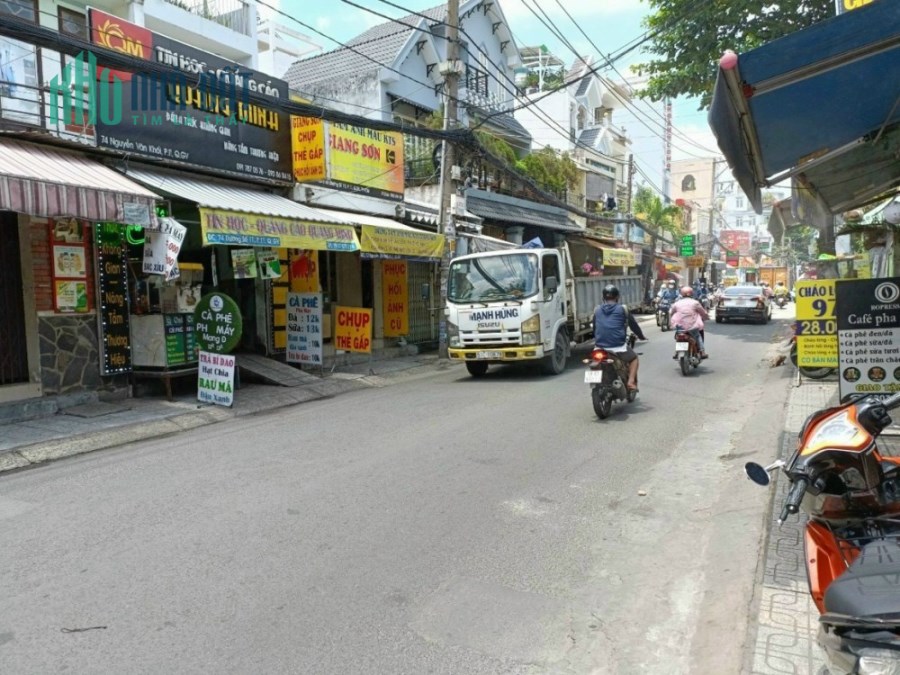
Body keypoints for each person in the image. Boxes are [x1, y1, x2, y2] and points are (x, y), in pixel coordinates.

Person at [594, 284, 648, 391]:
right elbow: (634, 326)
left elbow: (595, 328)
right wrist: (641, 336)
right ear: (617, 297)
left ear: (603, 297)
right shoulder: (623, 309)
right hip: (617, 346)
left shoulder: (597, 309)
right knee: (634, 358)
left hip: (599, 346)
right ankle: (631, 382)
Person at [669, 286, 710, 359]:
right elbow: (703, 313)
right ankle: (702, 352)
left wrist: (672, 320)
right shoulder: (695, 303)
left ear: (682, 294)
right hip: (692, 327)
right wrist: (706, 317)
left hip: (680, 327)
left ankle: (676, 352)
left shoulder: (677, 303)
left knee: (679, 336)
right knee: (698, 336)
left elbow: (671, 313)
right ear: (691, 293)